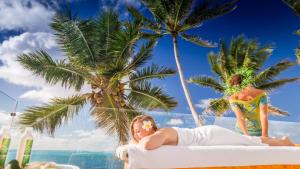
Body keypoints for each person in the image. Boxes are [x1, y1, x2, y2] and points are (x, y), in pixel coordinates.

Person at [123, 115, 295, 169]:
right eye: (134, 132)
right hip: (206, 135)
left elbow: (146, 145)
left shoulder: (163, 132)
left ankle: (283, 142)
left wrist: (139, 142)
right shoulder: (158, 135)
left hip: (211, 135)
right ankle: (281, 141)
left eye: (139, 130)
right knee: (248, 141)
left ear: (149, 126)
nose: (137, 135)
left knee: (249, 142)